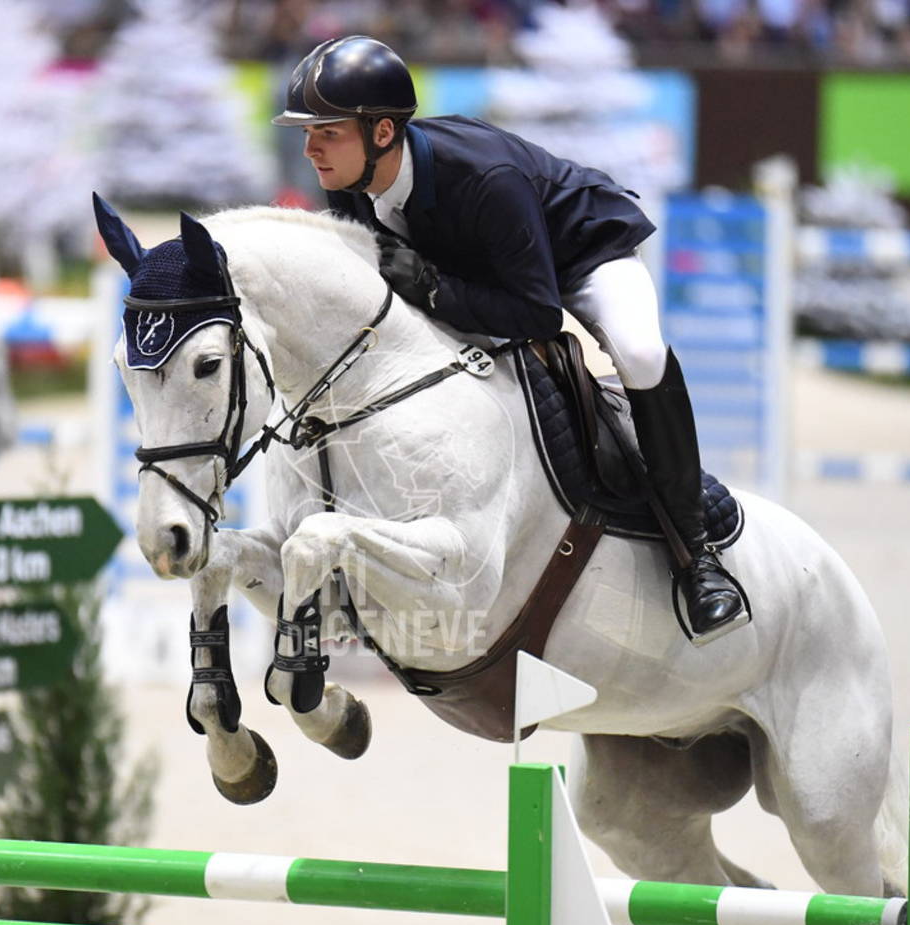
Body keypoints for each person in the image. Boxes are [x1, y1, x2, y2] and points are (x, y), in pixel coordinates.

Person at [271, 35, 747, 644]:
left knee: (640, 351)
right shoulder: (348, 180)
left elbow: (539, 314)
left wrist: (436, 289)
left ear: (382, 132)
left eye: (327, 132)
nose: (310, 149)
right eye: (308, 133)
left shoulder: (485, 178)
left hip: (577, 257)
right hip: (482, 273)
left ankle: (696, 557)